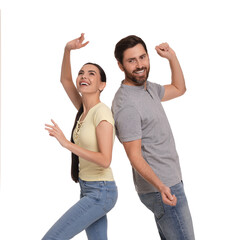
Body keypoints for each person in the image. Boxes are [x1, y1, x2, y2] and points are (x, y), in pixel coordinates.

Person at [112, 35, 195, 240]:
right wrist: (161, 187)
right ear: (120, 65)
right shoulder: (127, 105)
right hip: (162, 186)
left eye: (142, 57)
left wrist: (172, 58)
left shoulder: (147, 88)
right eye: (132, 60)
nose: (140, 65)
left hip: (169, 181)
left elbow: (179, 88)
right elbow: (134, 156)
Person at [43, 33, 118, 240]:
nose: (84, 76)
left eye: (91, 74)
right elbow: (64, 80)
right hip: (88, 188)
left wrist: (67, 144)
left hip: (101, 191)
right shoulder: (83, 110)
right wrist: (67, 50)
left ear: (102, 85)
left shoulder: (101, 113)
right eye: (81, 73)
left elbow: (105, 160)